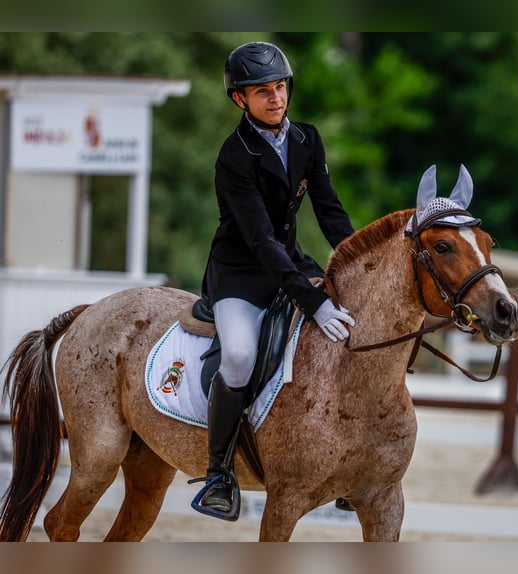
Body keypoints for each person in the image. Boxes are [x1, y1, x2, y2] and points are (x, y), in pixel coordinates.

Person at [196, 41, 356, 517]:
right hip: (240, 274)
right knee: (241, 357)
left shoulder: (307, 139)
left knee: (351, 331)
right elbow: (261, 239)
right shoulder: (234, 155)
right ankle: (218, 472)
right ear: (239, 99)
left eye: (280, 87)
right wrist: (313, 303)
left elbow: (329, 211)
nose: (276, 98)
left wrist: (358, 262)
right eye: (262, 91)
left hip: (291, 261)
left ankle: (351, 463)